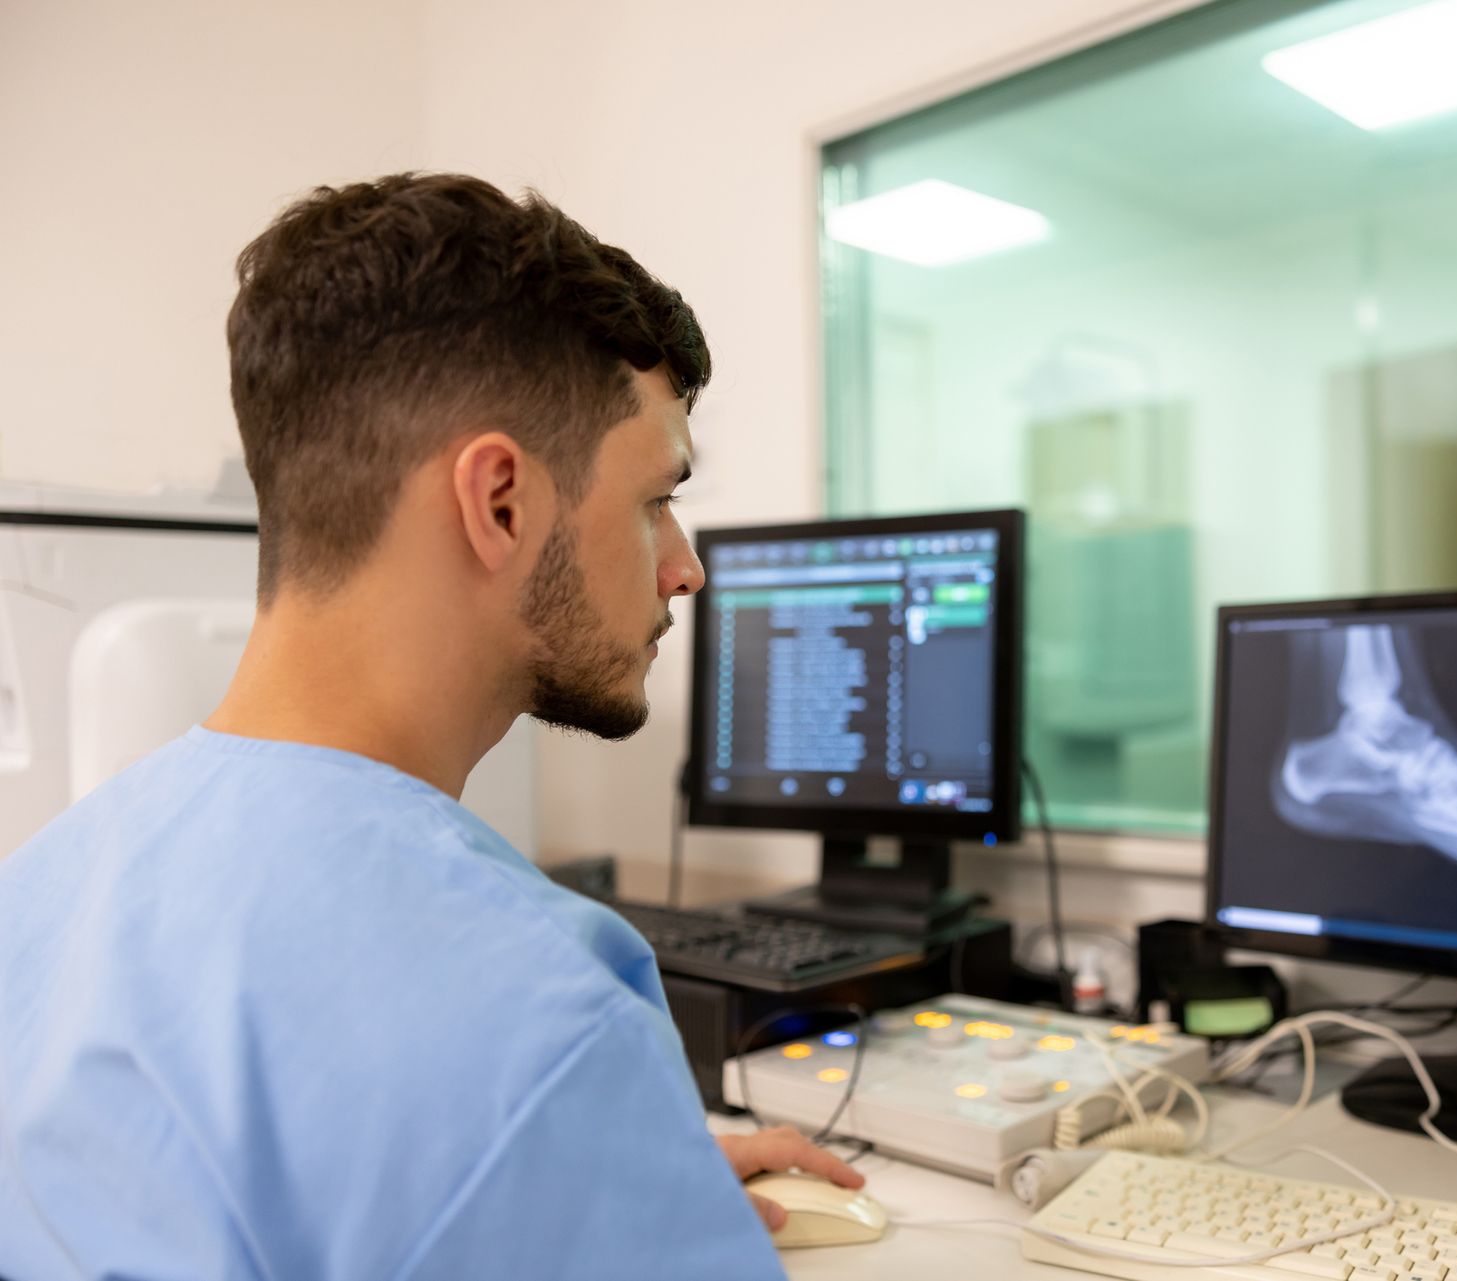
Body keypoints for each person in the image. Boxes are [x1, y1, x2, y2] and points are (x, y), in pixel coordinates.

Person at [0, 173, 859, 1279]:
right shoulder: (542, 1020)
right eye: (655, 501)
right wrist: (571, 1141)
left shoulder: (37, 895)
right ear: (500, 500)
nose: (685, 568)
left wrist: (594, 1177)